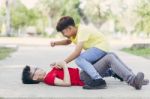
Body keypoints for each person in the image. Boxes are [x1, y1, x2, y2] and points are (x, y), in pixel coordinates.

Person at [22, 53, 149, 90]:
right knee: (109, 58)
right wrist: (64, 66)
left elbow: (63, 73)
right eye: (36, 69)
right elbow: (66, 83)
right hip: (84, 77)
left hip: (83, 73)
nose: (39, 68)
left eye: (37, 67)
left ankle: (132, 77)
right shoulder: (48, 79)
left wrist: (57, 65)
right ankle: (133, 81)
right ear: (34, 78)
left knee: (111, 55)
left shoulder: (50, 74)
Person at [50, 16, 110, 89]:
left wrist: (63, 63)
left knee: (79, 59)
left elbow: (77, 52)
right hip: (98, 48)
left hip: (101, 46)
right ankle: (112, 72)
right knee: (88, 66)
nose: (64, 35)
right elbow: (67, 41)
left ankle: (98, 80)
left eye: (63, 32)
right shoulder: (74, 33)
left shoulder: (82, 31)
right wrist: (55, 43)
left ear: (70, 28)